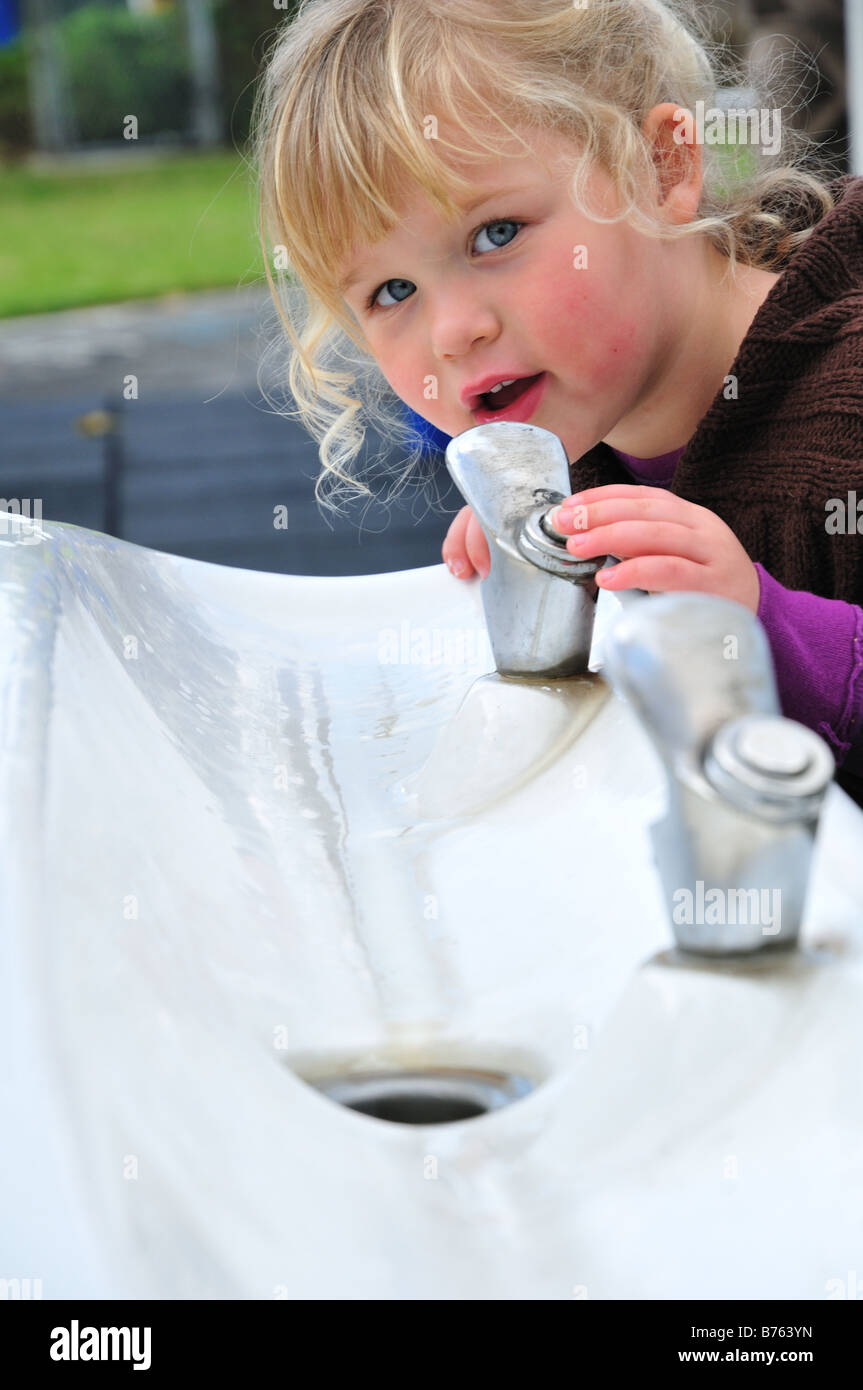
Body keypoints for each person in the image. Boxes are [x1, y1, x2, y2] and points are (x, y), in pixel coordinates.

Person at [251, 0, 863, 809]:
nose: (454, 331)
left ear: (662, 168)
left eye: (495, 235)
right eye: (391, 290)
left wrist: (766, 629)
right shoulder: (579, 438)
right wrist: (556, 557)